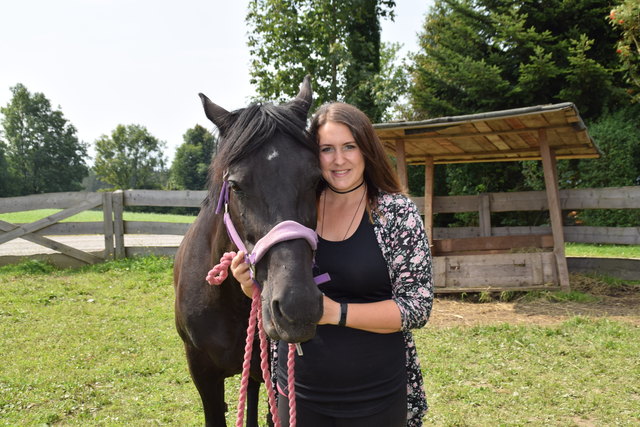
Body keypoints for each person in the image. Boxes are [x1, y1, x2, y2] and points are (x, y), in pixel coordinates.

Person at [230, 102, 433, 426]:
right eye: (327, 149)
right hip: (298, 391)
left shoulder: (397, 214)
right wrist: (250, 285)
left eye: (349, 146)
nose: (339, 160)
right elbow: (284, 283)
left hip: (376, 394)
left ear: (366, 150)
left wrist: (333, 313)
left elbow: (417, 307)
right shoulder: (298, 208)